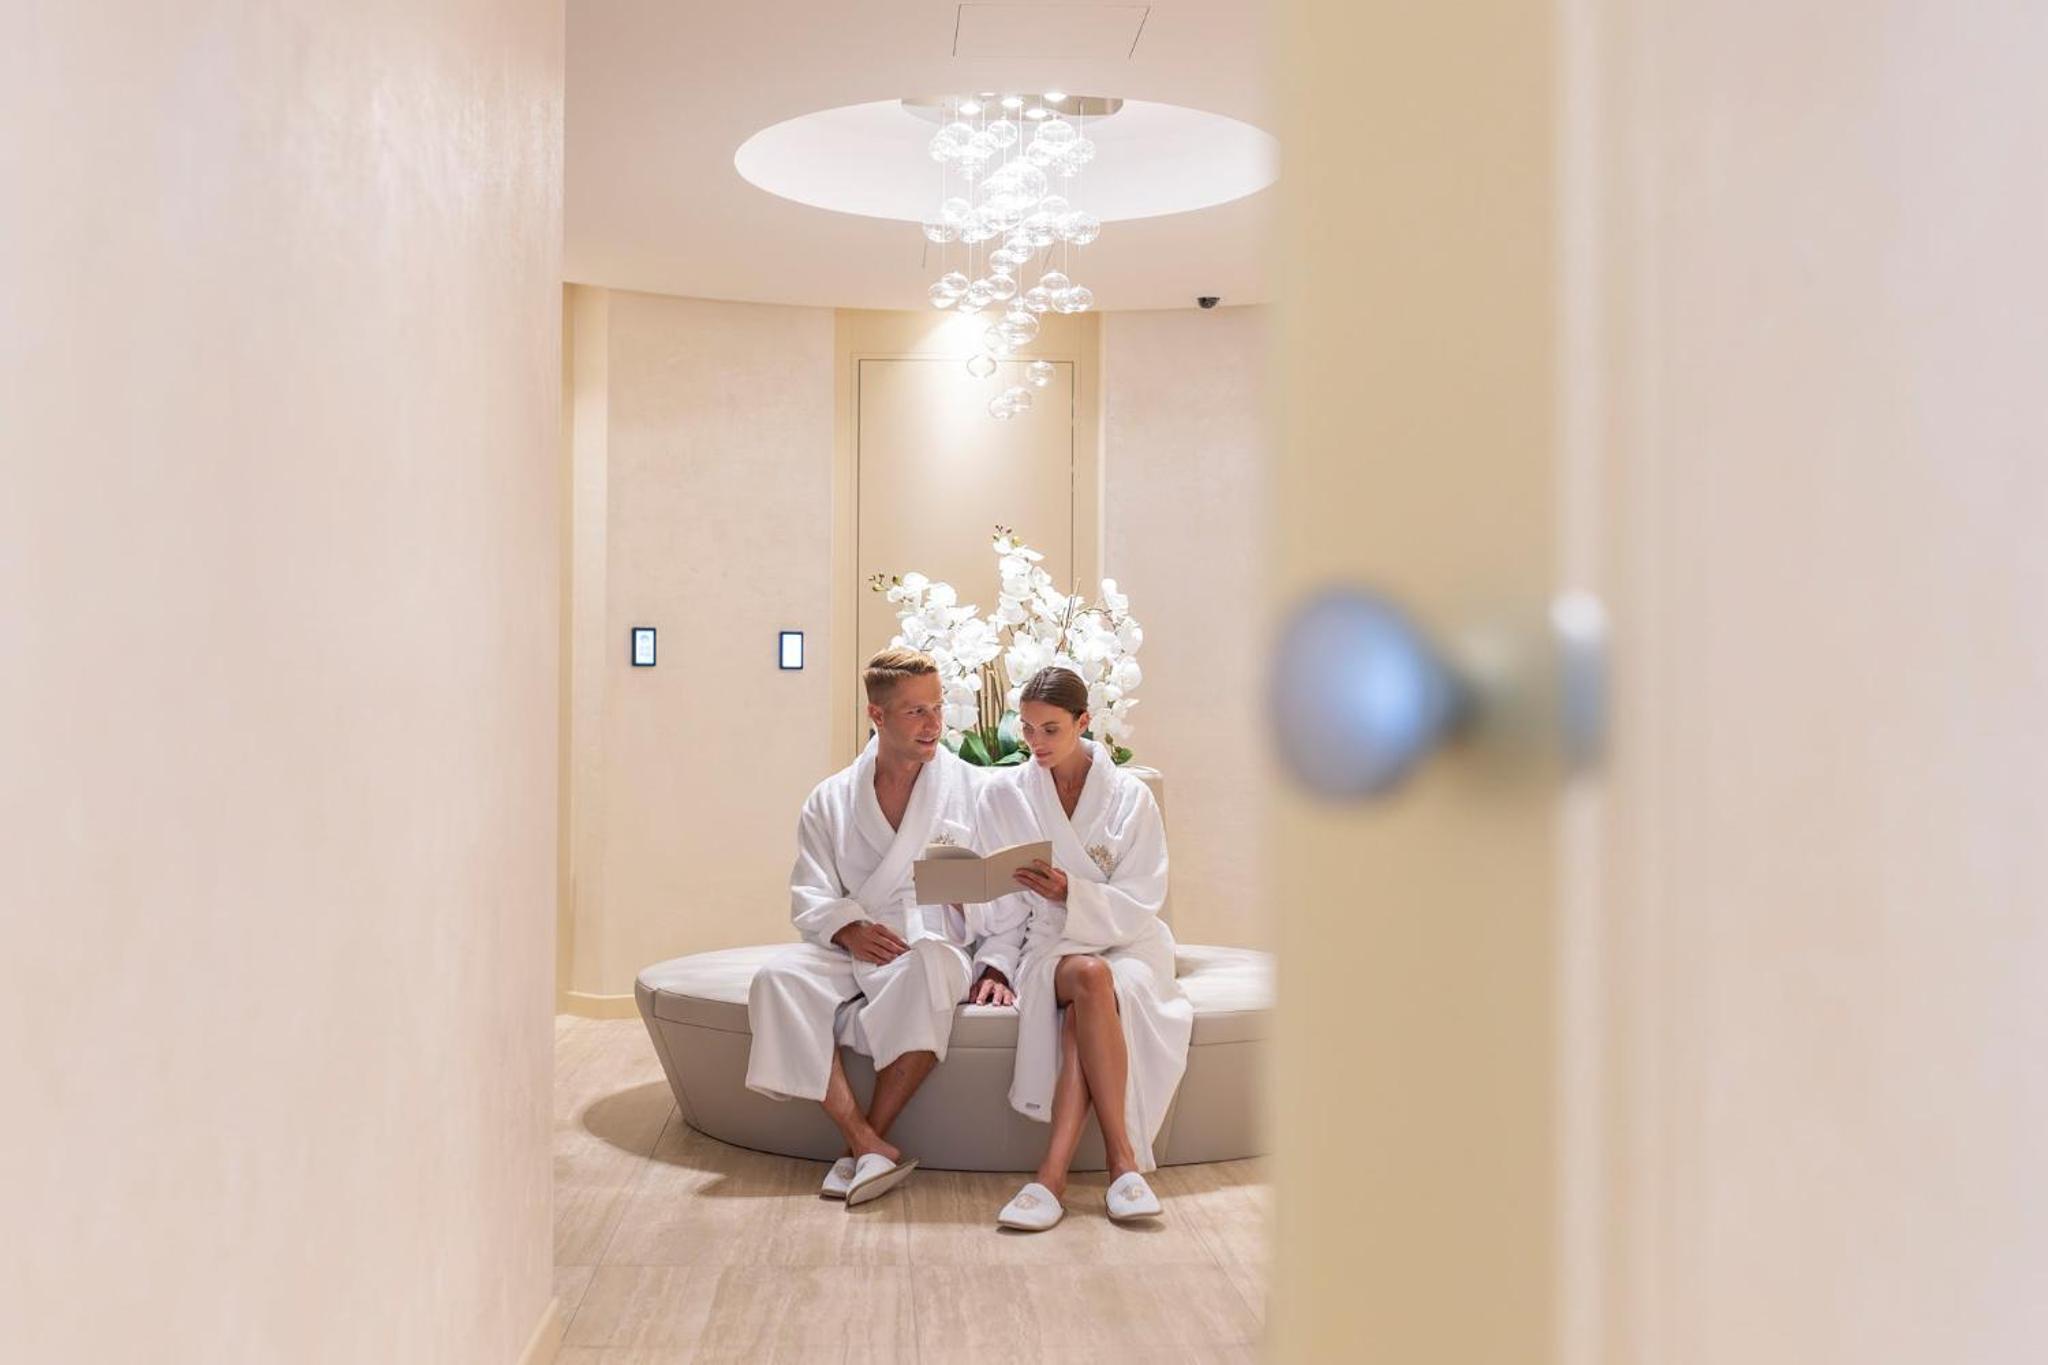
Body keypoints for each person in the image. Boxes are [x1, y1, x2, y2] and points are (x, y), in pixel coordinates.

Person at [744, 648, 1020, 1206]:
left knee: (932, 969)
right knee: (777, 979)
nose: (934, 724)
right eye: (916, 712)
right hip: (853, 937)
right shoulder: (831, 799)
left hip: (930, 937)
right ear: (877, 715)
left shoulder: (974, 788)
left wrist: (994, 956)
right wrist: (847, 928)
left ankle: (864, 1144)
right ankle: (866, 1142)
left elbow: (1008, 896)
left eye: (937, 707)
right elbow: (809, 891)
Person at [974, 666, 1192, 1231]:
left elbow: (1144, 894)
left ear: (1084, 721)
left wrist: (1072, 891)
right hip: (1051, 945)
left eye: (1051, 729)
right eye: (1026, 729)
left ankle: (1052, 1179)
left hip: (1129, 942)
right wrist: (995, 962)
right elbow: (998, 903)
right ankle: (1124, 1166)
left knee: (1087, 1006)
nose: (1036, 743)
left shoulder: (1131, 798)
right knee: (1091, 978)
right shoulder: (1003, 794)